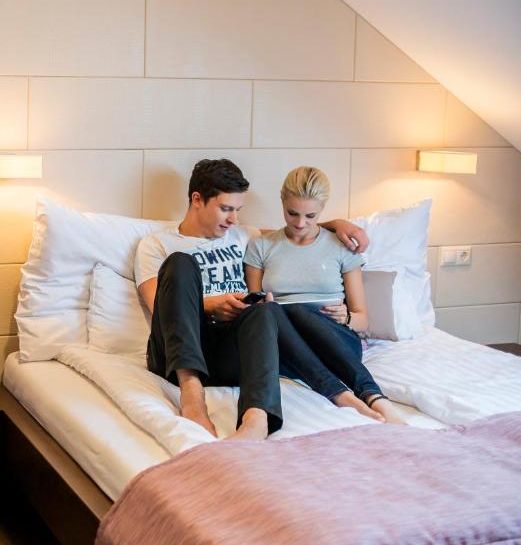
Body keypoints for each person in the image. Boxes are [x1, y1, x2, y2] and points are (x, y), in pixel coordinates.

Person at [134, 159, 369, 440]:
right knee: (181, 263)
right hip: (178, 351)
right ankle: (192, 396)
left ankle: (256, 419)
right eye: (225, 209)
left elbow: (297, 228)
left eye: (237, 210)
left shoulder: (245, 236)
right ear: (197, 199)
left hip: (228, 354)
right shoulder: (156, 244)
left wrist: (338, 224)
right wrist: (213, 304)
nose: (233, 219)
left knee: (265, 309)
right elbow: (158, 305)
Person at [243, 166, 405, 425]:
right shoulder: (260, 246)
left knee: (296, 310)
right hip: (284, 345)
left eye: (310, 216)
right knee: (279, 311)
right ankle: (351, 395)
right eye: (292, 213)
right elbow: (255, 307)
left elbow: (363, 319)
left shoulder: (340, 247)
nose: (299, 223)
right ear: (282, 201)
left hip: (336, 342)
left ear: (323, 209)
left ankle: (373, 396)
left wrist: (348, 318)